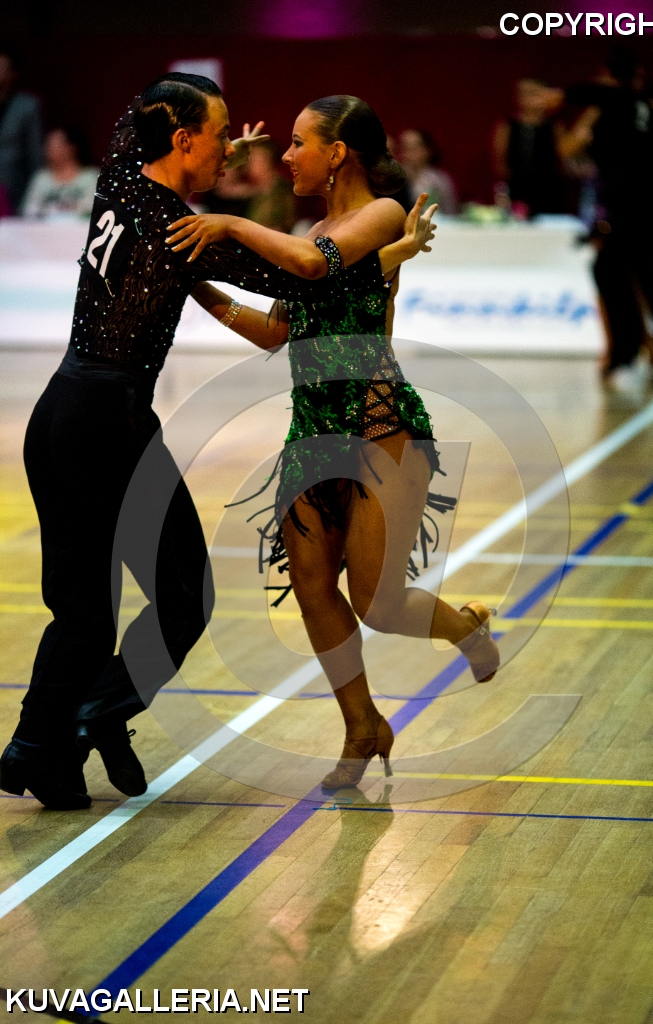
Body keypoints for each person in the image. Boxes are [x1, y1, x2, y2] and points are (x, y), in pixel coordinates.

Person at [0, 75, 436, 812]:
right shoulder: (184, 229)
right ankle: (90, 719)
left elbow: (133, 128)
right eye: (222, 133)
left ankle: (37, 750)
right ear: (181, 139)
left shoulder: (118, 183)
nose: (239, 148)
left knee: (82, 611)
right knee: (184, 601)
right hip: (110, 422)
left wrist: (206, 154)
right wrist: (392, 252)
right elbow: (312, 278)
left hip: (58, 415)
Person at [168, 95, 499, 791]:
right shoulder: (311, 229)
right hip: (312, 430)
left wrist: (229, 220)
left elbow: (316, 267)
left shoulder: (380, 216)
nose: (287, 156)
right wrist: (193, 284)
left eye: (298, 142)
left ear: (338, 152)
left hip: (380, 425)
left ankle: (467, 628)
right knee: (314, 588)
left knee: (379, 602)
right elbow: (274, 331)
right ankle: (362, 723)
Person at [565, 48, 653, 388]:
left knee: (615, 274)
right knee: (645, 279)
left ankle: (629, 355)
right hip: (649, 206)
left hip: (627, 208)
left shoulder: (608, 105)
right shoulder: (650, 107)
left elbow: (568, 148)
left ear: (608, 75)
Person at [492, 78, 565, 219]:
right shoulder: (507, 126)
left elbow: (563, 159)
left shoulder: (555, 127)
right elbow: (500, 162)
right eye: (522, 93)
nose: (526, 98)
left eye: (532, 93)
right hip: (517, 189)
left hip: (548, 191)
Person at [22, 126, 98, 219]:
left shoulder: (91, 177)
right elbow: (29, 212)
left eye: (56, 145)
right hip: (45, 227)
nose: (49, 150)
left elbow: (94, 210)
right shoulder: (41, 178)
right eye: (48, 146)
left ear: (71, 147)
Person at [0, 47, 43, 212]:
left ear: (13, 73)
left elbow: (34, 151)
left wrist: (34, 188)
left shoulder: (27, 105)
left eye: (2, 67)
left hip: (13, 183)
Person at [399, 128, 458, 215]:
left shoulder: (440, 179)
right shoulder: (396, 178)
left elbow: (450, 211)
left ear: (427, 150)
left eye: (413, 148)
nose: (407, 153)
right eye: (404, 148)